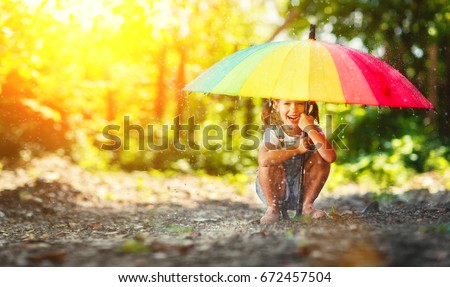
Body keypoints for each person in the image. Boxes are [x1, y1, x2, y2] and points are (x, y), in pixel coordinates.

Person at [256, 99, 336, 224]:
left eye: (300, 103)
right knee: (269, 161)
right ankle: (273, 209)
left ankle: (306, 206)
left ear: (308, 106)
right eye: (287, 103)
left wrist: (310, 129)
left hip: (302, 189)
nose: (294, 109)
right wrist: (296, 149)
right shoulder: (274, 131)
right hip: (274, 189)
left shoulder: (313, 131)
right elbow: (263, 160)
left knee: (321, 155)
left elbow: (330, 157)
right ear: (276, 105)